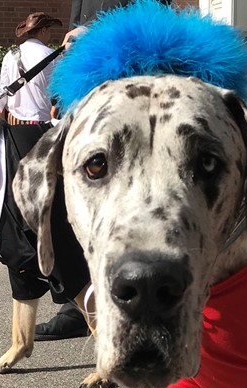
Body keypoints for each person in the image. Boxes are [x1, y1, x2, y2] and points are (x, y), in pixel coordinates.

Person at [39, 0, 174, 340]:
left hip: (134, 82)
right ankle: (84, 301)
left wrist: (96, 36)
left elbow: (155, 16)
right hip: (87, 86)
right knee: (86, 205)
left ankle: (151, 302)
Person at [0, 13, 62, 126]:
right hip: (41, 123)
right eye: (49, 30)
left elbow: (2, 91)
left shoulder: (10, 55)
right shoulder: (52, 56)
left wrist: (1, 123)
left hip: (14, 122)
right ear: (43, 30)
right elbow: (59, 92)